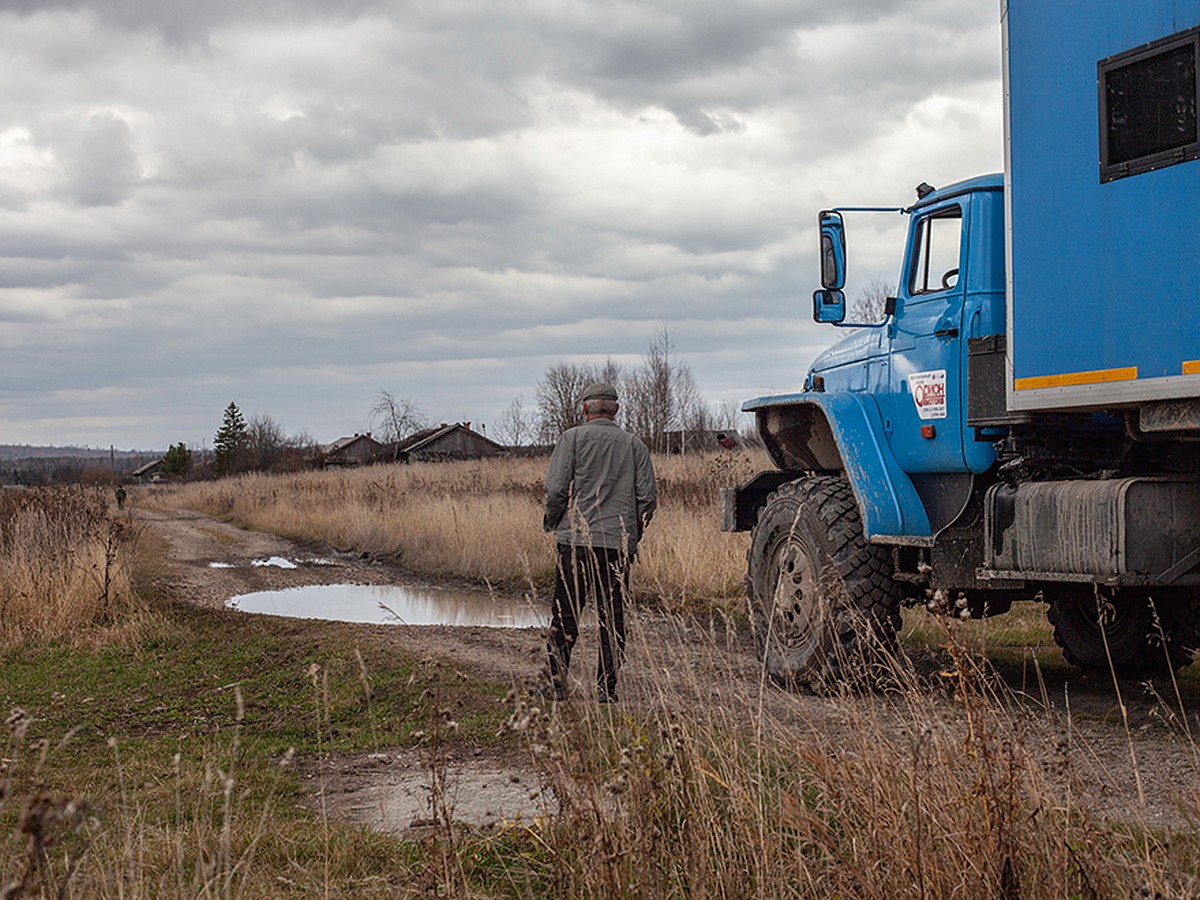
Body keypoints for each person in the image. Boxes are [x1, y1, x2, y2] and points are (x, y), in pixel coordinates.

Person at [541, 381, 657, 703]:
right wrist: (631, 535)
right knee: (613, 617)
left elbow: (555, 490)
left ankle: (556, 685)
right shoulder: (635, 446)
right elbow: (647, 498)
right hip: (617, 546)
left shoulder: (572, 439)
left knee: (565, 614)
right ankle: (607, 689)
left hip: (575, 543)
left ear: (584, 409)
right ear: (617, 409)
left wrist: (555, 522)